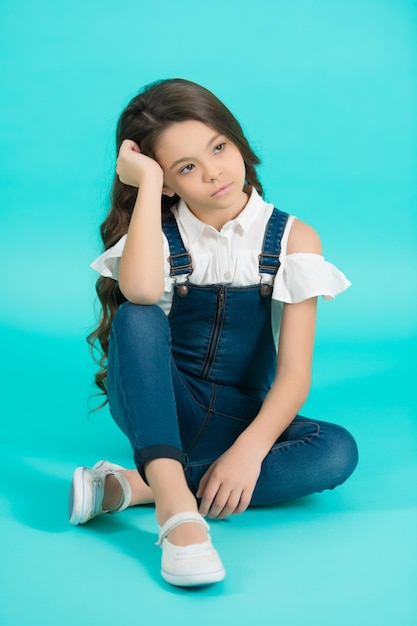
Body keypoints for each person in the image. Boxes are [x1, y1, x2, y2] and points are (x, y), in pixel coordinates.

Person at [68, 78, 358, 588]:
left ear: (236, 139)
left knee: (336, 450)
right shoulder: (157, 236)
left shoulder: (293, 237)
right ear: (167, 181)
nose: (213, 173)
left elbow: (293, 373)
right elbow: (137, 292)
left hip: (239, 417)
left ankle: (137, 486)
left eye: (218, 148)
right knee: (137, 314)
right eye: (184, 168)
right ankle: (179, 518)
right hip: (162, 405)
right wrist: (148, 188)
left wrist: (249, 451)